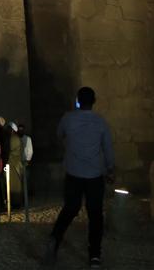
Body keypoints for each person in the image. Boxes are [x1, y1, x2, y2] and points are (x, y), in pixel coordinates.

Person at [45, 87, 114, 269]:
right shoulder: (100, 122)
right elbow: (107, 148)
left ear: (78, 100)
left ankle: (55, 238)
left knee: (70, 209)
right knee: (95, 215)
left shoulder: (68, 118)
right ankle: (94, 256)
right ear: (94, 101)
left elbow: (60, 135)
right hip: (94, 174)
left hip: (74, 172)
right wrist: (110, 169)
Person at [7, 122, 24, 199]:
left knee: (15, 183)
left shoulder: (14, 138)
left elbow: (12, 150)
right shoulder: (13, 137)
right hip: (13, 161)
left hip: (14, 162)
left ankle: (16, 201)